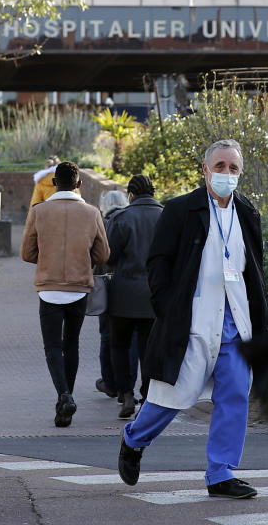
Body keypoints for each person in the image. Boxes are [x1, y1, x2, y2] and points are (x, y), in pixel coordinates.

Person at [117, 139, 268, 499]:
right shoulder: (180, 210)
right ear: (205, 170)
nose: (226, 174)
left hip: (236, 321)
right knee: (172, 396)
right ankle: (134, 439)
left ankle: (220, 472)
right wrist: (168, 308)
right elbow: (158, 264)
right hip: (193, 321)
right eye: (220, 166)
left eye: (233, 168)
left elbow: (255, 270)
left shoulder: (247, 212)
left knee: (235, 394)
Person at [21, 161, 110, 427]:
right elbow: (103, 254)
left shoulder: (39, 211)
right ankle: (66, 400)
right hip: (79, 288)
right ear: (79, 184)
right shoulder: (92, 212)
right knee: (72, 344)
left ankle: (64, 395)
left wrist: (46, 257)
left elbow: (27, 253)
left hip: (49, 289)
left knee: (52, 347)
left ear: (54, 183)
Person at [105, 175, 163, 420]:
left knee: (119, 345)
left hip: (123, 296)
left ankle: (126, 394)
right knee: (148, 348)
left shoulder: (121, 218)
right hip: (154, 295)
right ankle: (148, 394)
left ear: (130, 194)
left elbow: (110, 256)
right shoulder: (166, 216)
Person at [94, 190, 130, 401]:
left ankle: (109, 381)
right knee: (129, 338)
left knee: (107, 336)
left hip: (104, 285)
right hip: (127, 285)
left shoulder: (102, 223)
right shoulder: (128, 220)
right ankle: (126, 382)